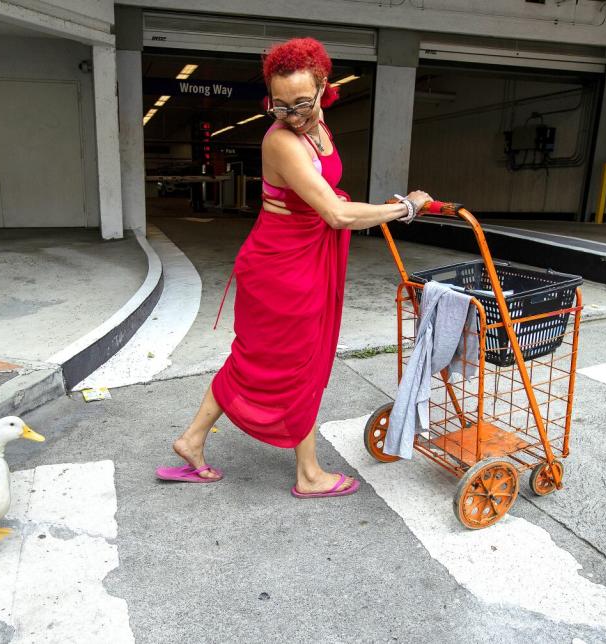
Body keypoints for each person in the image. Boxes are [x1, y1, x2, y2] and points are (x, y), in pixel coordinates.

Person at [156, 37, 432, 498]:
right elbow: (337, 214)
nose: (292, 115)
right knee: (295, 364)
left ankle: (192, 440)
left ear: (324, 88)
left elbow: (326, 199)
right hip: (282, 270)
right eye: (279, 106)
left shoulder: (318, 131)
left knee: (266, 359)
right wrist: (406, 208)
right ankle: (307, 474)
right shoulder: (282, 141)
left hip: (306, 259)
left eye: (302, 102)